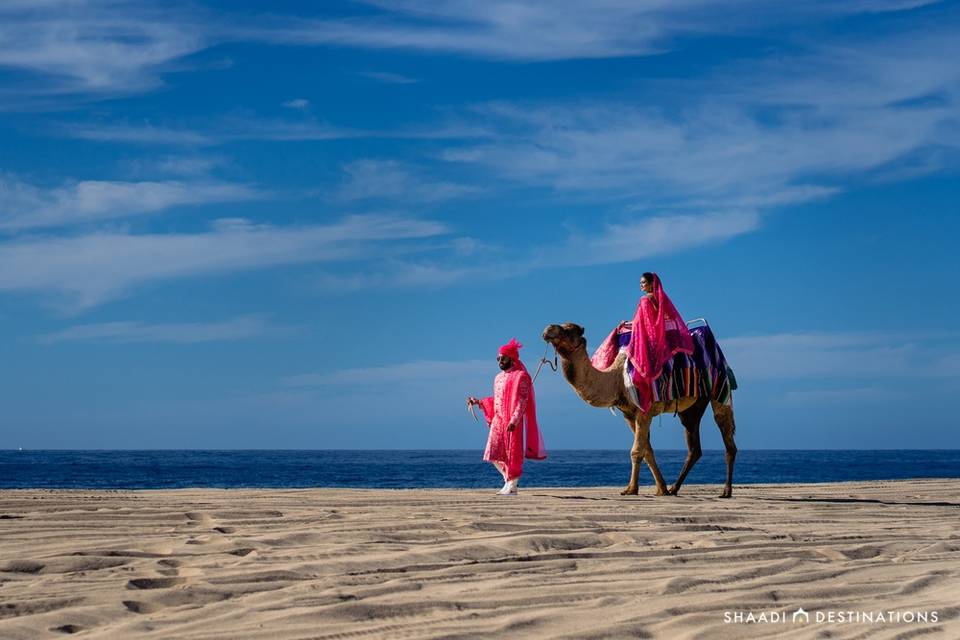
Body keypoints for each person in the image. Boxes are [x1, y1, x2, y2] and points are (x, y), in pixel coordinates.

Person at [466, 338, 547, 495]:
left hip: (512, 421)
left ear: (512, 358)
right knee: (493, 454)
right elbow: (497, 400)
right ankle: (508, 481)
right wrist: (479, 402)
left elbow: (523, 400)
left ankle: (512, 486)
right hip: (498, 420)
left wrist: (514, 420)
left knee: (512, 453)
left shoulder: (521, 376)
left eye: (503, 358)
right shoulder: (497, 378)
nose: (500, 361)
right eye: (498, 358)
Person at [627, 272, 695, 412]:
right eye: (640, 283)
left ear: (652, 284)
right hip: (662, 337)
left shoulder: (645, 300)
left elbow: (642, 323)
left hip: (651, 338)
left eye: (643, 282)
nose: (641, 285)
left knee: (620, 340)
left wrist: (626, 325)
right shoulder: (660, 298)